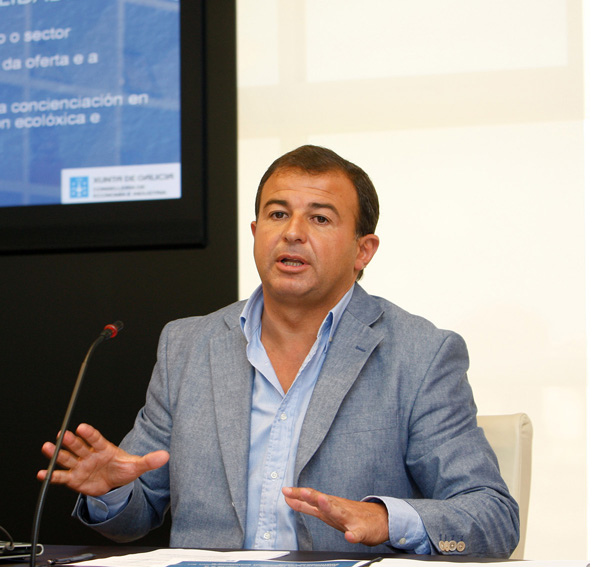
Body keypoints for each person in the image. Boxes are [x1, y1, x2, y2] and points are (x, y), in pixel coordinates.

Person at [38, 145, 519, 557]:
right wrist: (115, 489)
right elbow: (137, 514)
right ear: (255, 233)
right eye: (278, 214)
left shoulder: (421, 354)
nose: (292, 232)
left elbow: (493, 518)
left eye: (320, 218)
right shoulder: (187, 345)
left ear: (363, 250)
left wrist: (385, 519)